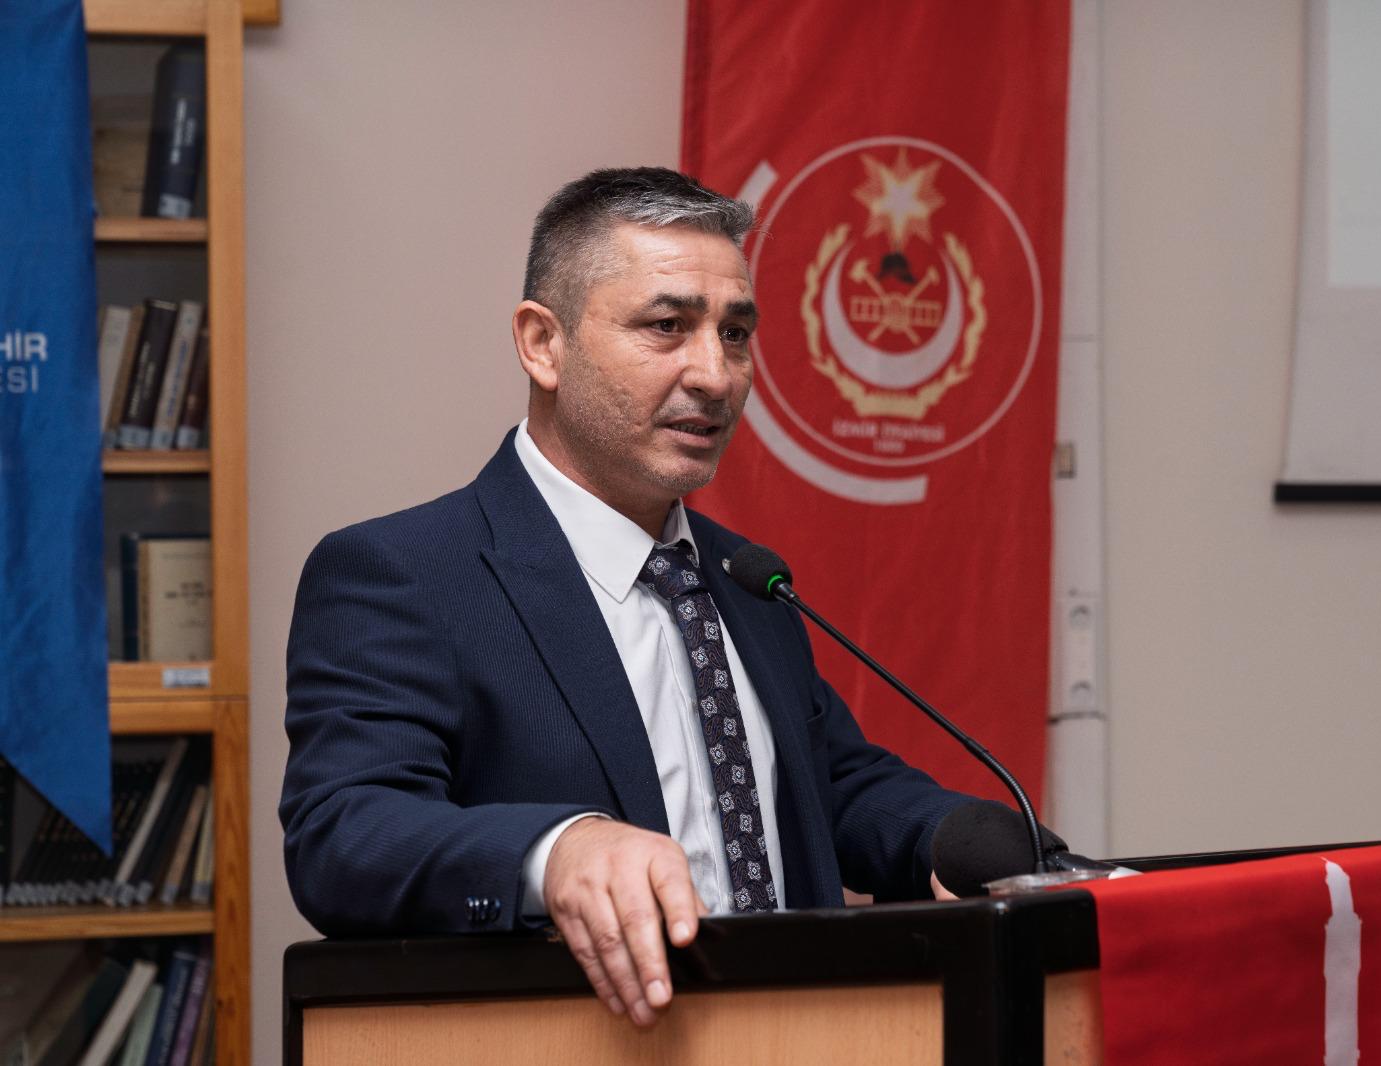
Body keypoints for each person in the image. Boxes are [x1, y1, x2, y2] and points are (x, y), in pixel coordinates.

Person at [279, 167, 971, 1028]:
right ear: (543, 343)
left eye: (735, 333)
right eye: (667, 326)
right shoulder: (402, 573)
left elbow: (825, 787)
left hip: (797, 1032)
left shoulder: (745, 576)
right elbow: (345, 833)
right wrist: (556, 850)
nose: (714, 374)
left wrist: (971, 841)